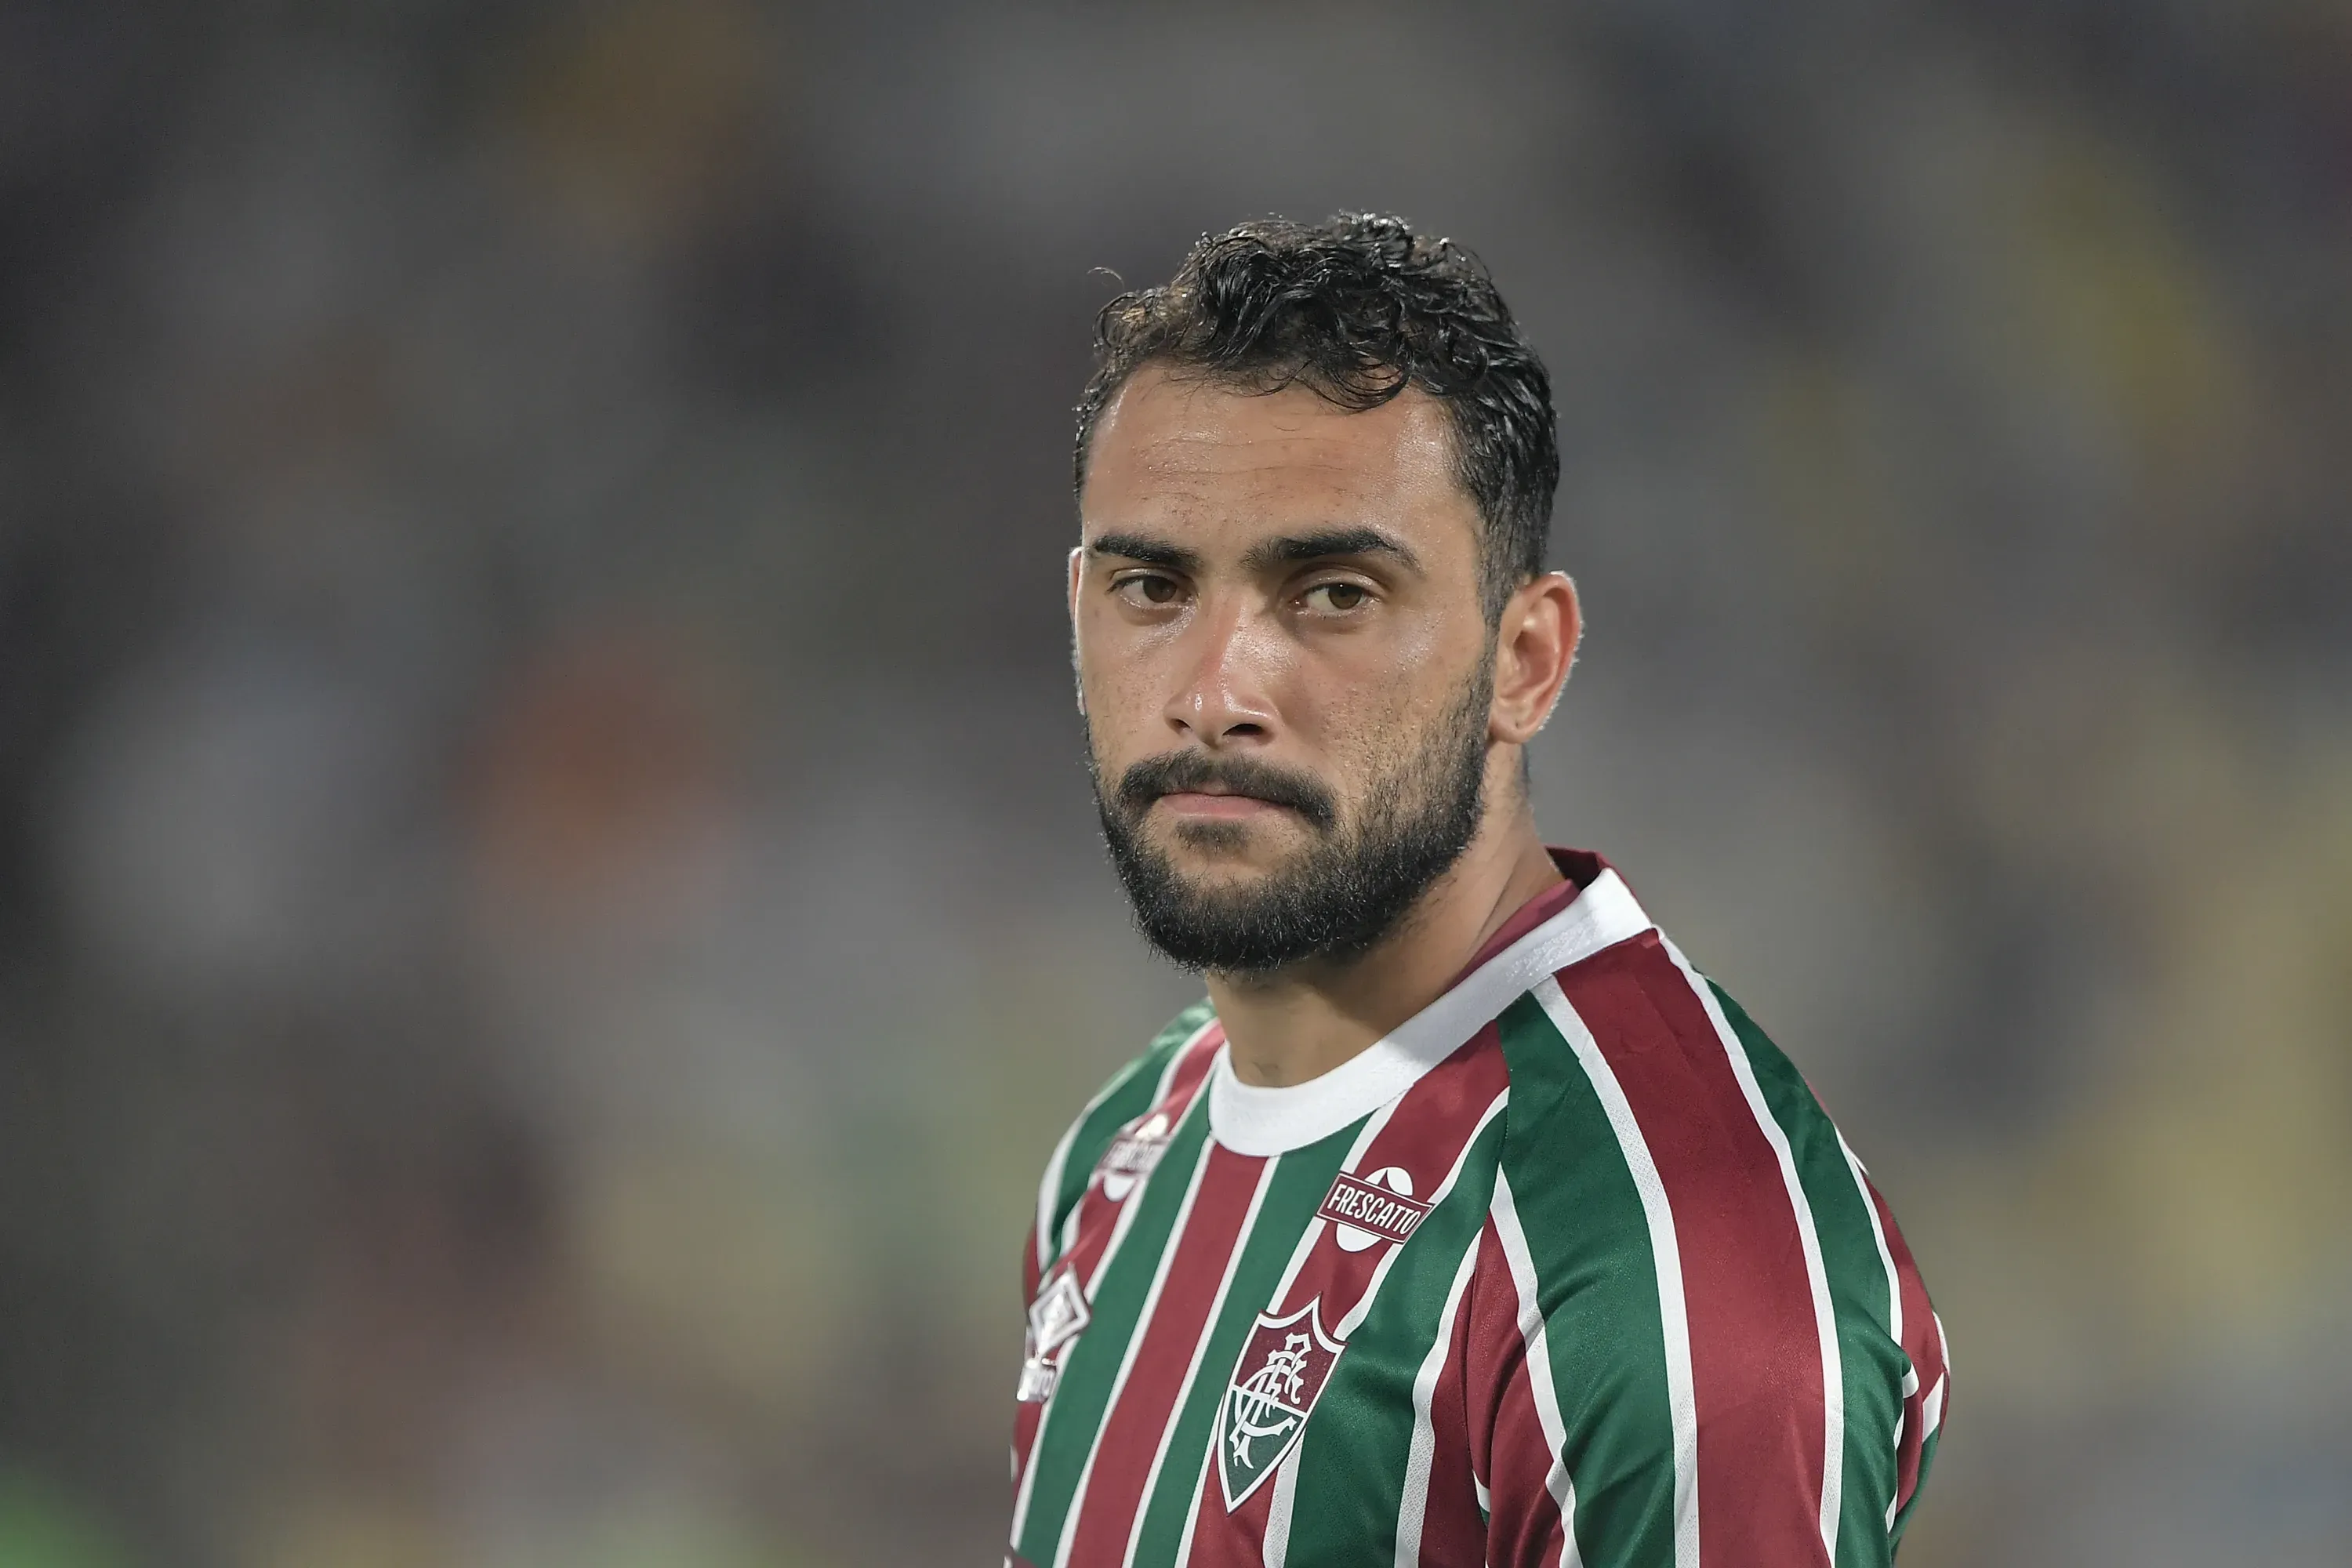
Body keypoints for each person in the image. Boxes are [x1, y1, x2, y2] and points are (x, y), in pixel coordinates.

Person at [1008, 214, 1947, 1568]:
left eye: (1332, 593)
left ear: (1526, 660)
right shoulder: (1116, 1155)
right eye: (1152, 587)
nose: (1214, 695)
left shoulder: (1664, 1277)